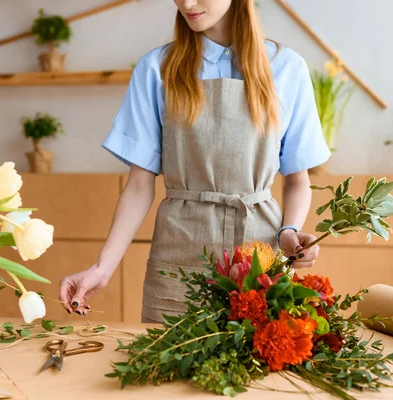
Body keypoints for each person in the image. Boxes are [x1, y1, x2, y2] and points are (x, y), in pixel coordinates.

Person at [58, 0, 331, 321]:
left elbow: (298, 180)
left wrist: (290, 231)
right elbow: (138, 186)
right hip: (178, 251)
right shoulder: (156, 68)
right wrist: (102, 269)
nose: (186, 3)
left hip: (259, 254)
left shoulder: (287, 68)